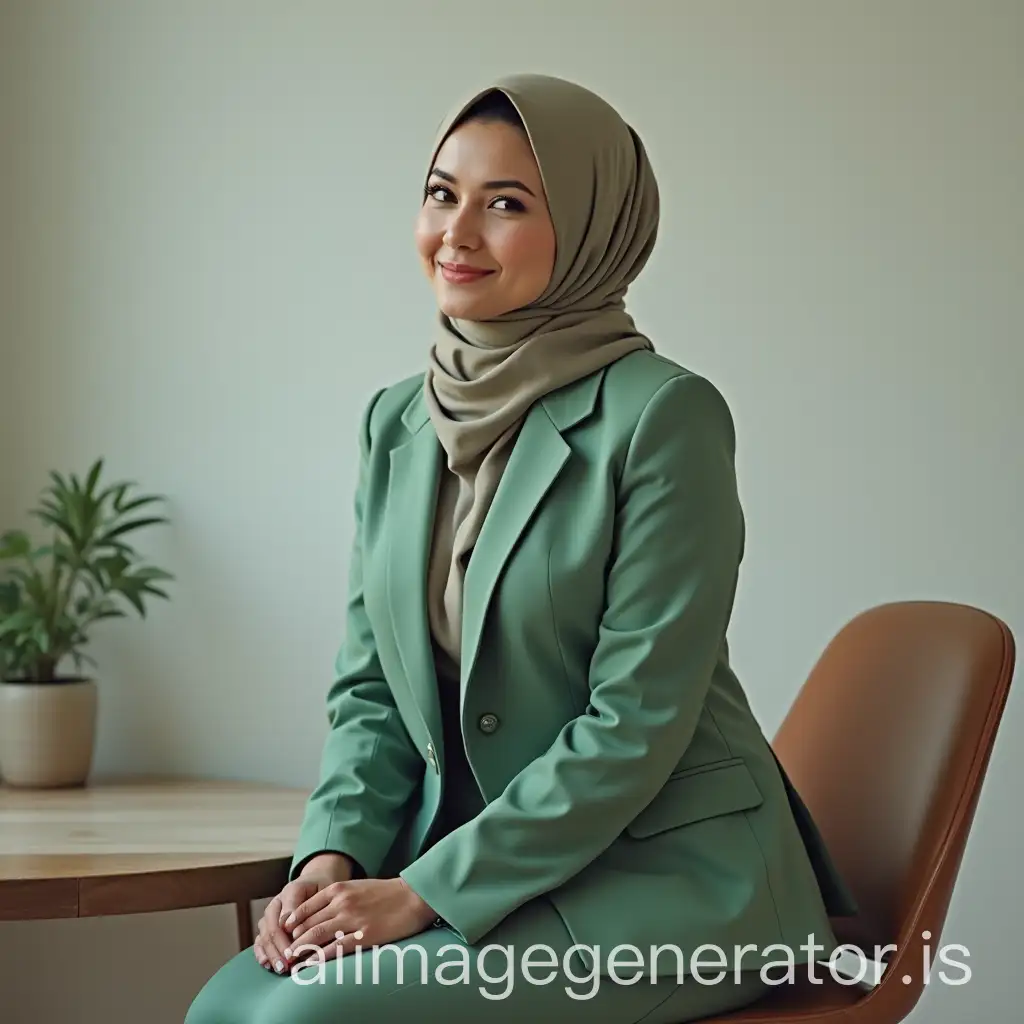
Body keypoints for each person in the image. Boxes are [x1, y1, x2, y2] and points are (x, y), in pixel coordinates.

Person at [185, 72, 855, 1024]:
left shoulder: (664, 416)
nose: (456, 233)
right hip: (492, 872)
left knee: (303, 1019)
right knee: (225, 1007)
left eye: (506, 204)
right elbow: (372, 689)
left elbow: (635, 723)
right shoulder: (398, 423)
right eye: (441, 193)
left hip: (667, 887)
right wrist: (330, 860)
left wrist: (421, 894)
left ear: (590, 229)